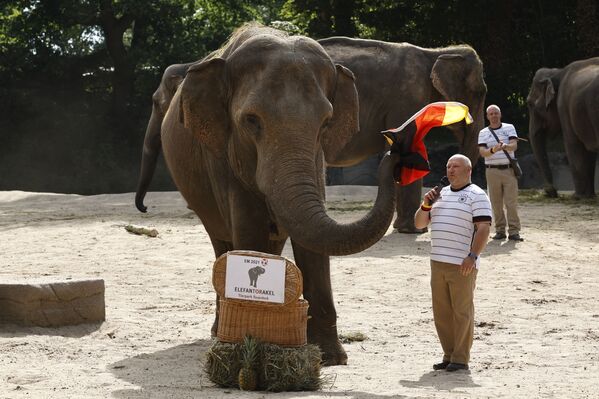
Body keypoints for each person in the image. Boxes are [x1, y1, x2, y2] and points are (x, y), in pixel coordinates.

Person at [414, 154, 492, 372]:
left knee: (461, 311)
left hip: (462, 264)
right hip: (437, 261)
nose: (451, 170)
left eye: (456, 166)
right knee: (442, 312)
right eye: (448, 166)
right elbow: (419, 223)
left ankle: (460, 358)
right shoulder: (439, 195)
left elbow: (484, 228)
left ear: (468, 171)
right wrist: (426, 205)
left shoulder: (477, 195)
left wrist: (473, 256)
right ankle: (448, 354)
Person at [478, 104, 523, 241]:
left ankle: (514, 231)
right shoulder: (483, 133)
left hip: (508, 169)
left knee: (511, 202)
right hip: (492, 171)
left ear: (500, 114)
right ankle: (500, 230)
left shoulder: (509, 128)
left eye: (496, 113)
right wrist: (494, 150)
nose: (494, 116)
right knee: (495, 203)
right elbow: (483, 153)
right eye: (491, 114)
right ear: (487, 117)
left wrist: (505, 146)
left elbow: (514, 145)